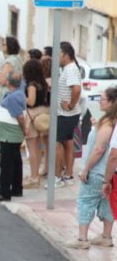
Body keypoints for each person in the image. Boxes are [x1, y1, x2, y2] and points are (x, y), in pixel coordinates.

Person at [64, 87, 117, 249]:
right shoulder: (110, 122)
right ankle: (106, 236)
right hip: (108, 172)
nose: (99, 101)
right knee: (106, 202)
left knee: (86, 201)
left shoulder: (108, 124)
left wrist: (86, 169)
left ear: (112, 103)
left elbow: (99, 149)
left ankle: (82, 239)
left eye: (103, 99)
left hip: (97, 171)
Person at [0, 72, 27, 202]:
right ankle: (16, 189)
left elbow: (19, 116)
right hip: (9, 134)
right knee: (16, 161)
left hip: (9, 135)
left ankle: (4, 192)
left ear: (9, 82)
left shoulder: (14, 97)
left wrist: (24, 130)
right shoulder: (17, 94)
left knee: (6, 163)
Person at [55, 41, 82, 187]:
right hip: (67, 114)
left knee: (57, 143)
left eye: (58, 54)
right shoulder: (68, 68)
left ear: (66, 54)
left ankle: (58, 176)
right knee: (67, 142)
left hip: (66, 114)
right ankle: (69, 173)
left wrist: (70, 105)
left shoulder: (70, 69)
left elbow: (76, 89)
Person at [22, 59, 50, 189]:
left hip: (33, 115)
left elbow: (31, 102)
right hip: (43, 113)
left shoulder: (31, 85)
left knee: (32, 148)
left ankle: (34, 178)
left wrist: (21, 97)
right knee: (38, 149)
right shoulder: (43, 83)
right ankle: (36, 174)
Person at [0, 36, 23, 101]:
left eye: (4, 44)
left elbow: (3, 81)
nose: (2, 45)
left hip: (6, 95)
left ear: (10, 46)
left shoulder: (10, 61)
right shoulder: (17, 58)